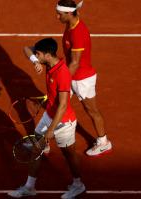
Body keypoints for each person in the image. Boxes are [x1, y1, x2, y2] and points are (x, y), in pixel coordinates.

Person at [8, 38, 85, 198]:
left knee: (69, 155)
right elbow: (26, 48)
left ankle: (78, 185)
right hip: (49, 115)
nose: (36, 55)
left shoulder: (62, 73)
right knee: (37, 147)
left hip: (64, 122)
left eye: (38, 54)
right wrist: (35, 61)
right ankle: (29, 187)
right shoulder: (49, 62)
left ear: (48, 55)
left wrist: (51, 131)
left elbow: (63, 105)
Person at [54, 0, 112, 156]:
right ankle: (44, 140)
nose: (57, 16)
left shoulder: (78, 33)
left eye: (59, 14)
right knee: (56, 104)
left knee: (91, 110)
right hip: (72, 75)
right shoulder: (71, 22)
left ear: (68, 13)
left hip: (82, 80)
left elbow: (75, 62)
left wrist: (62, 81)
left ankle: (103, 142)